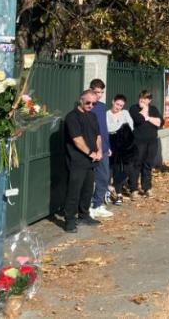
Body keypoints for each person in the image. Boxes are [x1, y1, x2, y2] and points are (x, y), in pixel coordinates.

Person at [63, 90, 103, 233]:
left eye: (94, 103)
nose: (91, 105)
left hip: (91, 161)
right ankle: (69, 220)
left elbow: (98, 136)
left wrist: (99, 151)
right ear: (80, 100)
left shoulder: (92, 116)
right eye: (88, 102)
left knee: (87, 190)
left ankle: (84, 215)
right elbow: (77, 140)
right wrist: (90, 153)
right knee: (74, 191)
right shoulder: (71, 117)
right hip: (77, 161)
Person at [128, 90, 164, 199]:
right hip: (138, 141)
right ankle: (133, 189)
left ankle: (147, 187)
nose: (142, 100)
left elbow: (160, 123)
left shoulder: (153, 109)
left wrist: (148, 117)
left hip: (152, 141)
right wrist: (145, 111)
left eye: (145, 99)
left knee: (148, 164)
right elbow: (138, 119)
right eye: (141, 98)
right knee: (136, 165)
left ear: (149, 100)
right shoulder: (134, 108)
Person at [88, 79, 113, 219]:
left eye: (101, 92)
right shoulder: (88, 106)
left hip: (103, 147)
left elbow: (104, 128)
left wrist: (107, 146)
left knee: (104, 177)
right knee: (91, 179)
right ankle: (89, 206)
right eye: (97, 92)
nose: (99, 95)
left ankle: (97, 204)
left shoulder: (102, 107)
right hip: (91, 149)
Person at [107, 94, 135, 206]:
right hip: (112, 144)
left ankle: (114, 188)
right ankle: (117, 194)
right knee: (113, 168)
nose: (118, 107)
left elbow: (131, 127)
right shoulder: (106, 114)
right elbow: (108, 128)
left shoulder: (125, 113)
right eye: (117, 104)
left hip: (125, 145)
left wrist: (119, 127)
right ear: (113, 101)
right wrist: (121, 125)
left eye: (121, 106)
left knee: (127, 169)